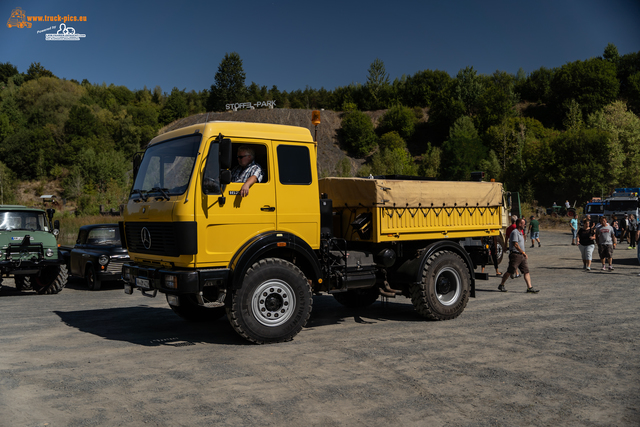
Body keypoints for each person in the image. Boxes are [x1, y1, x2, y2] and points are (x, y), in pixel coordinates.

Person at [498, 218, 539, 293]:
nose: (525, 225)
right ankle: (501, 285)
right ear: (519, 224)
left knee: (526, 271)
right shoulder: (515, 232)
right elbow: (515, 244)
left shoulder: (521, 232)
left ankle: (530, 287)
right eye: (524, 223)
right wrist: (523, 253)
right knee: (510, 271)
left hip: (521, 256)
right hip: (515, 255)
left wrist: (523, 253)